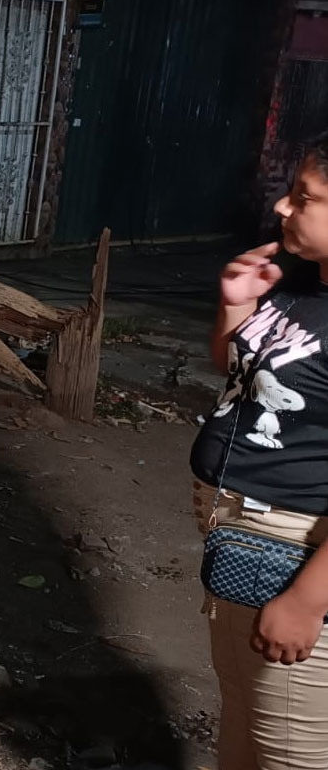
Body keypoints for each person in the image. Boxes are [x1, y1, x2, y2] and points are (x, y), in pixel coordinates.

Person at [191, 138, 328, 769]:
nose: (282, 206)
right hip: (241, 539)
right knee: (243, 734)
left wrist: (307, 602)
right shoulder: (303, 287)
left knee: (292, 753)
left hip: (298, 557)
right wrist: (239, 306)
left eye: (305, 198)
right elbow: (243, 376)